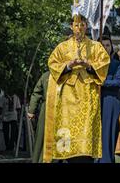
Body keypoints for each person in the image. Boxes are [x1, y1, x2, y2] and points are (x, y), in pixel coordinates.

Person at [44, 14, 110, 162]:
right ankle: (66, 156)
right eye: (76, 25)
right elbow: (52, 63)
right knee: (67, 127)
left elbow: (105, 63)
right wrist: (68, 65)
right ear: (71, 27)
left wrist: (89, 65)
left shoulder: (96, 46)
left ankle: (85, 155)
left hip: (88, 94)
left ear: (86, 26)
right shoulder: (62, 47)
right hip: (68, 95)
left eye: (82, 25)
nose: (79, 28)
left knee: (86, 132)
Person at [97, 35, 120, 163]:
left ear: (111, 47)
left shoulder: (117, 65)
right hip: (94, 100)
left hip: (110, 100)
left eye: (107, 45)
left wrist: (103, 82)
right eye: (102, 45)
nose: (105, 48)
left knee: (108, 133)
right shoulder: (92, 64)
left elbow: (118, 82)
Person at [28, 71, 50, 163]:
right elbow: (36, 93)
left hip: (49, 109)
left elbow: (36, 93)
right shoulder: (47, 76)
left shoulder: (46, 75)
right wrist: (31, 110)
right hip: (48, 109)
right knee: (42, 136)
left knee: (42, 138)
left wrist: (31, 111)